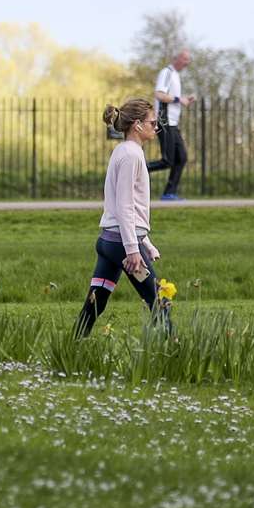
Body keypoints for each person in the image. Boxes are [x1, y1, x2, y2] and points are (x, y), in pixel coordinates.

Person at [75, 98, 167, 337]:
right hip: (123, 247)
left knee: (96, 301)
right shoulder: (131, 156)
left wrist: (145, 241)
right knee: (158, 301)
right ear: (137, 125)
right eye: (152, 122)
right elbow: (125, 205)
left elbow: (125, 206)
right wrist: (134, 250)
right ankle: (177, 354)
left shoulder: (124, 151)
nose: (156, 127)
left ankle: (72, 346)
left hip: (111, 242)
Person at [147, 49, 195, 201]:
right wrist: (179, 99)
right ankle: (135, 169)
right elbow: (159, 95)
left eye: (189, 60)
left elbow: (171, 97)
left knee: (181, 157)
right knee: (167, 160)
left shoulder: (176, 75)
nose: (188, 63)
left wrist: (183, 98)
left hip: (173, 124)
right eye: (185, 59)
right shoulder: (167, 72)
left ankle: (169, 193)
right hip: (164, 121)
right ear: (177, 58)